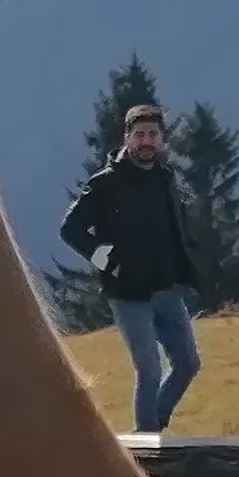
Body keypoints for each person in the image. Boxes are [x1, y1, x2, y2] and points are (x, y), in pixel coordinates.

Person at [58, 101, 203, 433]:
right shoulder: (106, 183)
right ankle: (148, 449)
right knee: (149, 372)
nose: (147, 141)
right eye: (139, 135)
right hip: (128, 294)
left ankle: (149, 430)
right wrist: (108, 263)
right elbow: (70, 230)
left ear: (163, 140)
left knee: (188, 364)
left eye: (153, 134)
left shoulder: (165, 178)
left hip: (167, 289)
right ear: (126, 138)